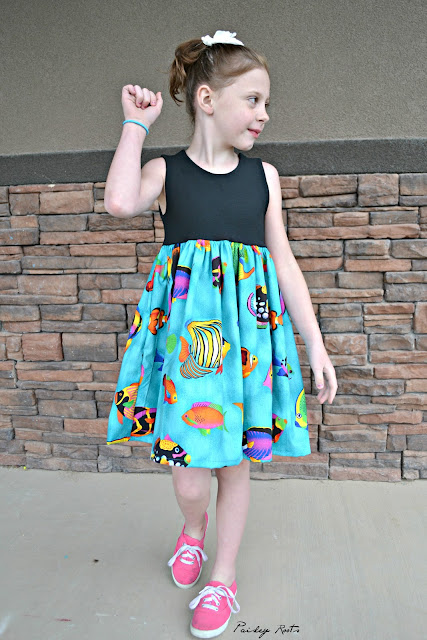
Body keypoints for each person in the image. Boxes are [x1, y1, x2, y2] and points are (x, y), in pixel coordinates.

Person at [104, 29, 337, 639]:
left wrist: (314, 343)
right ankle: (193, 530)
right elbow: (120, 202)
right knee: (188, 476)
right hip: (187, 353)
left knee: (235, 465)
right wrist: (135, 126)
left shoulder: (264, 178)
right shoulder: (168, 173)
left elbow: (284, 263)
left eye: (266, 102)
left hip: (247, 350)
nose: (265, 114)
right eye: (253, 100)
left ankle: (223, 577)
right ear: (207, 99)